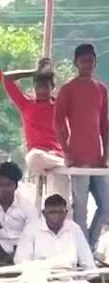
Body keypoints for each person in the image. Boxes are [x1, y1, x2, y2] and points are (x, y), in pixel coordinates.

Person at [55, 43, 109, 248]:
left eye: (90, 60)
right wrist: (67, 153)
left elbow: (105, 125)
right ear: (75, 63)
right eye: (83, 61)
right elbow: (58, 124)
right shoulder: (68, 89)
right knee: (80, 210)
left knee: (106, 206)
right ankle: (82, 254)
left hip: (98, 160)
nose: (87, 64)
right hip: (78, 158)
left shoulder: (101, 89)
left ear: (95, 62)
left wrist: (105, 156)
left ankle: (90, 247)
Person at [4, 60, 70, 202]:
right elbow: (7, 78)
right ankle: (61, 164)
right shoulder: (26, 104)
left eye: (45, 86)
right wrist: (35, 72)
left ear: (52, 87)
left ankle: (60, 165)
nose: (41, 90)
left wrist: (65, 153)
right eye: (38, 86)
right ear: (34, 87)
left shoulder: (59, 106)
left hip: (57, 156)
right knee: (34, 157)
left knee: (61, 201)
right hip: (40, 157)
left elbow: (67, 134)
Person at [0, 161, 41, 264]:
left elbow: (33, 234)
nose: (5, 189)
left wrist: (21, 252)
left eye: (9, 185)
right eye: (2, 185)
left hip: (20, 251)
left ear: (16, 186)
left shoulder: (27, 207)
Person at [14, 193, 95, 269]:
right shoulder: (31, 229)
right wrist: (45, 265)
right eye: (52, 213)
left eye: (60, 212)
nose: (56, 217)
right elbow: (20, 261)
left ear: (66, 213)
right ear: (44, 213)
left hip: (69, 277)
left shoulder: (74, 229)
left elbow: (88, 262)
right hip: (40, 276)